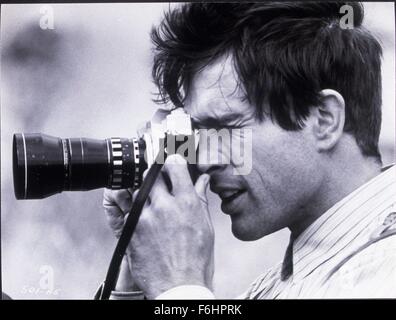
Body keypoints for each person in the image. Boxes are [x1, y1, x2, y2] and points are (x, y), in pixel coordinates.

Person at [103, 2, 396, 299]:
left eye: (227, 128)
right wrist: (141, 273)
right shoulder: (276, 284)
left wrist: (179, 285)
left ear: (324, 119)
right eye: (200, 133)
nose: (205, 160)